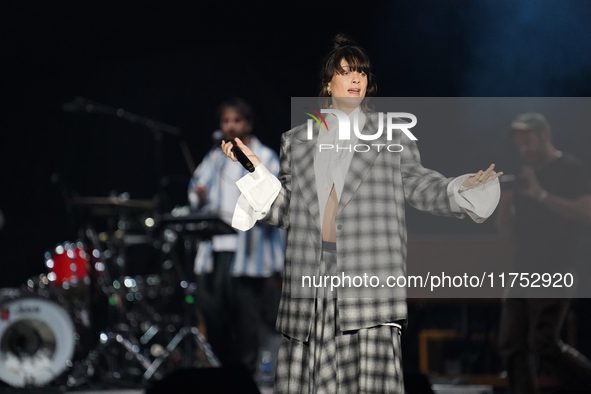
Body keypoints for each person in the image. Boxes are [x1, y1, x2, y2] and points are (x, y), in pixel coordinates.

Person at [223, 35, 501, 393]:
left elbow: (418, 184)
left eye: (362, 73)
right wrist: (258, 172)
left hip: (368, 279)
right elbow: (286, 210)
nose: (356, 79)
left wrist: (458, 189)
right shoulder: (297, 140)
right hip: (311, 280)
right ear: (328, 83)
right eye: (346, 72)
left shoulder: (392, 135)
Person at [188, 97, 285, 373]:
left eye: (236, 120)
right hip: (216, 247)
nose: (230, 126)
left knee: (246, 317)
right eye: (226, 121)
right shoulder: (215, 157)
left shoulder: (263, 156)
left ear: (247, 124)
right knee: (211, 309)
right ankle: (228, 369)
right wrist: (199, 194)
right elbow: (196, 186)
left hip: (249, 251)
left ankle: (246, 376)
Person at [497, 112, 591, 393]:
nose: (524, 149)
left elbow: (587, 212)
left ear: (544, 136)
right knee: (511, 344)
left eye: (528, 141)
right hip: (522, 270)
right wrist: (502, 204)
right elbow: (504, 234)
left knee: (543, 341)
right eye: (519, 144)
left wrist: (541, 195)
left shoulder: (570, 168)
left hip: (557, 267)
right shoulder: (525, 177)